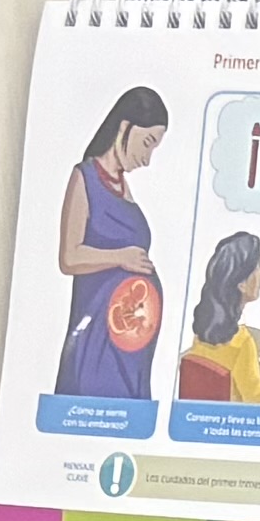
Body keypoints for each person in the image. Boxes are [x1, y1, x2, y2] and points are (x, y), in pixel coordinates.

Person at [51, 89, 167, 403]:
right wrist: (121, 258)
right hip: (96, 338)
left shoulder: (123, 187)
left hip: (130, 347)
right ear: (125, 126)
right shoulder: (85, 178)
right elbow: (69, 257)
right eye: (147, 143)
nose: (147, 159)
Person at [171, 227, 260, 404]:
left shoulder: (203, 331)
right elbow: (259, 398)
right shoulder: (242, 341)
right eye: (258, 267)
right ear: (242, 284)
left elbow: (226, 359)